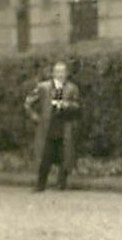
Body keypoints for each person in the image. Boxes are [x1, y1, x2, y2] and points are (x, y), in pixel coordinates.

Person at [24, 60, 82, 192]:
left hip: (64, 125)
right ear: (53, 73)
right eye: (58, 72)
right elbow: (28, 102)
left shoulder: (72, 88)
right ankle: (40, 184)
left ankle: (61, 183)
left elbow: (77, 106)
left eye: (63, 72)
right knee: (45, 155)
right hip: (48, 126)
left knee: (64, 155)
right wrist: (35, 117)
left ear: (67, 74)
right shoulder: (44, 87)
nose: (60, 75)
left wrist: (68, 105)